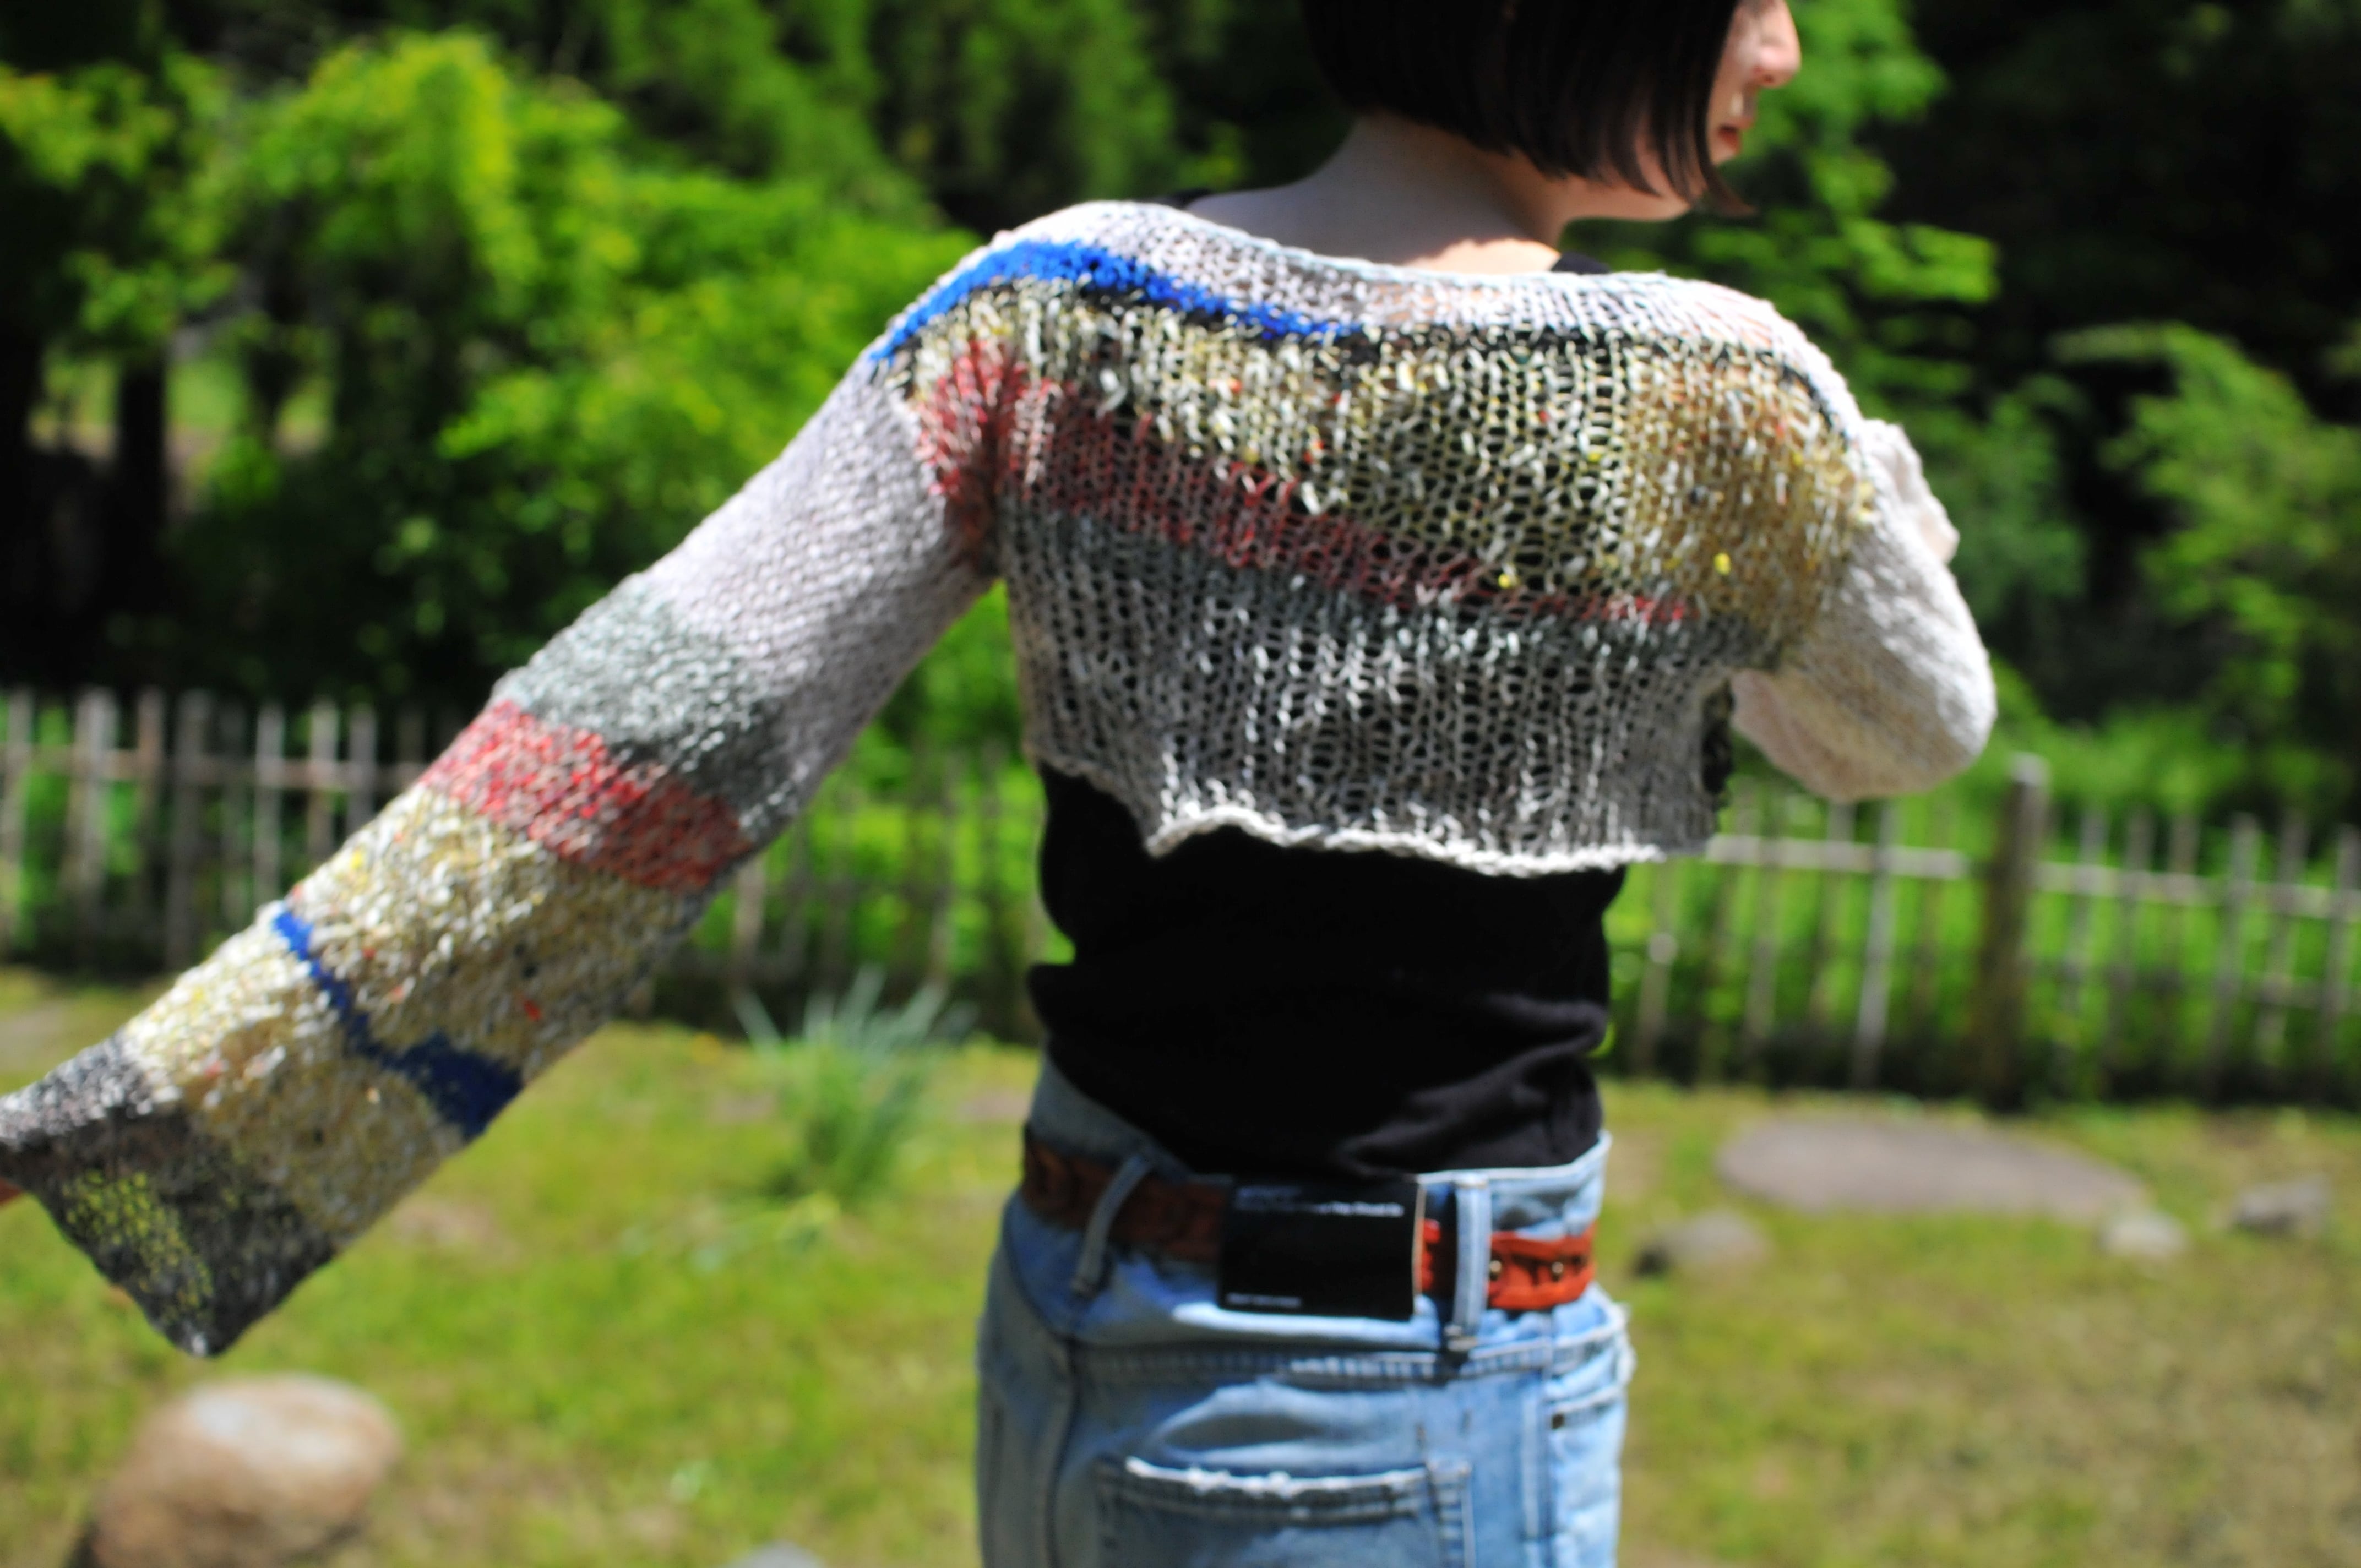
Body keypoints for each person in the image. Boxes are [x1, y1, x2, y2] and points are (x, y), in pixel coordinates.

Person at [1, 1, 1990, 1562]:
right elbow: (1904, 731)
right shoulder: (1727, 393)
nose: (1784, 50)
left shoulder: (1054, 305)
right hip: (1411, 1383)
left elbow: (652, 726)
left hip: (1069, 1318)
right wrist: (1851, 481)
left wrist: (175, 1097)